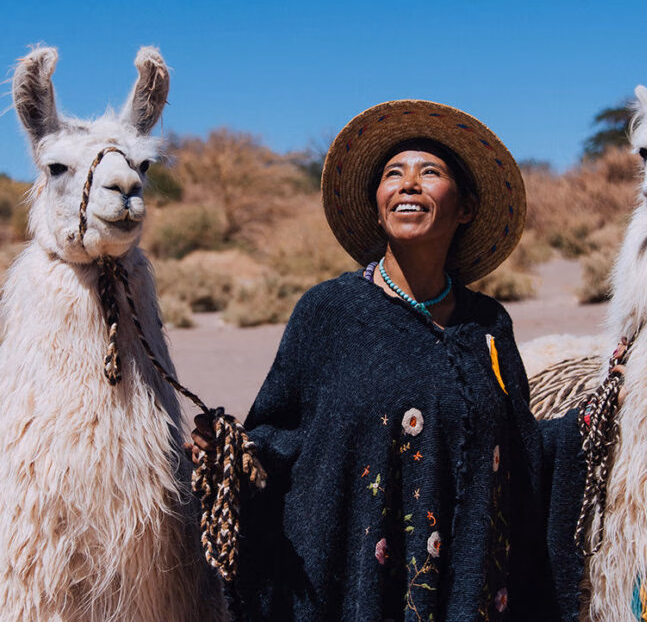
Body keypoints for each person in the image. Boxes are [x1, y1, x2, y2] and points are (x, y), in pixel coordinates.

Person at [191, 100, 585, 621]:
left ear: (464, 207)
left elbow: (520, 452)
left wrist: (590, 423)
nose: (408, 184)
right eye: (393, 174)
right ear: (378, 205)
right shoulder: (329, 312)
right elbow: (279, 435)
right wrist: (233, 454)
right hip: (353, 589)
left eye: (430, 173)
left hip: (463, 593)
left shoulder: (489, 326)